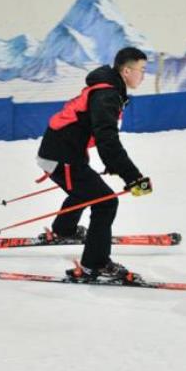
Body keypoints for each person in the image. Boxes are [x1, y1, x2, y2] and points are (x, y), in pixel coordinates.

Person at [36, 47, 153, 282]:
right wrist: (132, 177)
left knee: (85, 191)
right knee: (106, 203)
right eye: (142, 70)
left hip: (62, 153)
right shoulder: (107, 94)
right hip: (62, 156)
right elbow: (107, 140)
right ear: (127, 70)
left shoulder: (109, 89)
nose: (143, 75)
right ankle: (95, 264)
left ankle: (64, 229)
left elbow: (100, 136)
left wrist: (115, 165)